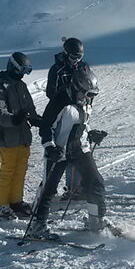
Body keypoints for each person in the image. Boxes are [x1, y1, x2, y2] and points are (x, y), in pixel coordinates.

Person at [29, 66, 107, 239]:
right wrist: (50, 147)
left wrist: (91, 133)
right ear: (76, 87)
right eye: (88, 94)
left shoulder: (85, 101)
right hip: (59, 151)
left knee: (96, 182)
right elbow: (46, 127)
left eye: (93, 95)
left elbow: (82, 123)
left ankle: (96, 221)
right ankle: (38, 226)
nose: (90, 98)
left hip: (80, 148)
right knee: (49, 189)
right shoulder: (60, 102)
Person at [0, 52, 42, 220]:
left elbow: (29, 108)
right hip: (6, 136)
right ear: (12, 67)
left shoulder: (20, 85)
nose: (22, 75)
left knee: (20, 170)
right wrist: (15, 119)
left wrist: (37, 119)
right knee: (8, 170)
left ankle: (15, 201)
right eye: (20, 71)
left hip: (22, 136)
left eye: (25, 72)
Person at [46, 37, 89, 200]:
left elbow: (90, 84)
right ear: (65, 54)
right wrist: (64, 98)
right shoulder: (57, 69)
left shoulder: (83, 67)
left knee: (76, 149)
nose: (76, 60)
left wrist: (85, 101)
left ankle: (74, 187)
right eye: (73, 57)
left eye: (79, 57)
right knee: (59, 149)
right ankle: (48, 189)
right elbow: (50, 92)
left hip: (79, 110)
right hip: (62, 112)